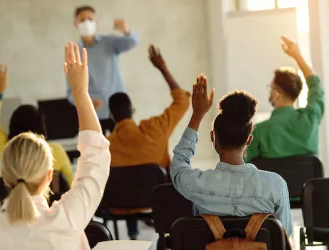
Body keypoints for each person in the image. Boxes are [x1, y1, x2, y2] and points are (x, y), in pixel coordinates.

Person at [0, 43, 110, 250]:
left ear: (4, 176)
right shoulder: (68, 218)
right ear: (49, 176)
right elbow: (96, 159)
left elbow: (96, 157)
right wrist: (81, 92)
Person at [170, 74, 293, 236]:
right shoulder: (275, 185)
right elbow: (283, 234)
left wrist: (197, 115)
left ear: (213, 138)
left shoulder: (195, 183)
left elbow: (178, 165)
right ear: (249, 140)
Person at [107, 45, 190, 239]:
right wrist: (163, 68)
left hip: (117, 206)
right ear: (132, 111)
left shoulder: (105, 146)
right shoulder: (156, 129)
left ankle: (131, 235)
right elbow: (183, 102)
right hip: (158, 201)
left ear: (111, 116)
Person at [0, 65, 73, 203]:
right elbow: (74, 188)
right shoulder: (56, 152)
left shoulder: (7, 149)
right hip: (52, 220)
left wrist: (0, 91)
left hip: (14, 219)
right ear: (41, 126)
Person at [245, 36, 324, 162]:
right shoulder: (310, 118)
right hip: (307, 182)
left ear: (277, 92)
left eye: (271, 87)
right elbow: (316, 87)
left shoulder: (259, 132)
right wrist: (297, 56)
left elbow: (250, 173)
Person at [67, 5, 139, 134]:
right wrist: (83, 100)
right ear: (76, 24)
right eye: (82, 20)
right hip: (93, 114)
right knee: (96, 151)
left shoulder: (109, 43)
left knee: (126, 149)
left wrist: (127, 30)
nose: (86, 23)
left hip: (118, 110)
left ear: (96, 22)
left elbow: (132, 42)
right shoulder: (74, 52)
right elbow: (71, 90)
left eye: (90, 19)